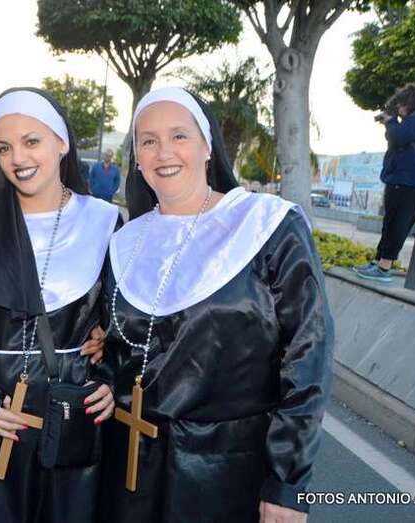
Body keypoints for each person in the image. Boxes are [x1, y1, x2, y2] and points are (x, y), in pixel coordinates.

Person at [98, 87, 333, 522]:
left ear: (207, 146)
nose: (164, 152)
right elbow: (118, 348)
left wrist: (286, 482)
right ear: (137, 157)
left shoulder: (266, 226)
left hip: (229, 473)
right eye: (148, 141)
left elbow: (308, 353)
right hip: (129, 465)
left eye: (179, 136)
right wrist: (104, 379)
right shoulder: (125, 242)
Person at [0, 87, 118, 523]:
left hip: (71, 418)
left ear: (62, 142)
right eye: (3, 148)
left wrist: (110, 378)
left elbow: (126, 326)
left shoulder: (104, 222)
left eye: (31, 141)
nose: (18, 158)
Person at [354, 83, 415, 283]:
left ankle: (384, 267)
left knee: (397, 223)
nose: (399, 109)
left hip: (409, 181)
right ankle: (379, 262)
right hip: (413, 181)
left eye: (400, 104)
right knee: (392, 222)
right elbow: (399, 138)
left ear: (410, 102)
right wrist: (392, 122)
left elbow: (398, 137)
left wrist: (391, 121)